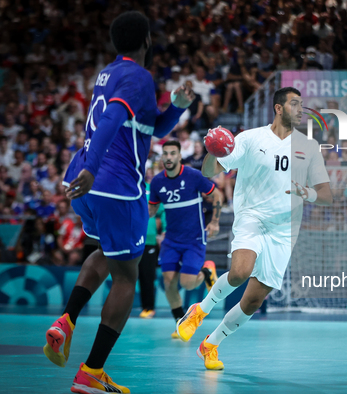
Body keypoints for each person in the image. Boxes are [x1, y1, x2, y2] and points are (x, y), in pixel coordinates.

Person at [42, 11, 195, 394]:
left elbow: (154, 128)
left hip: (86, 186)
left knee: (106, 254)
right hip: (112, 183)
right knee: (127, 276)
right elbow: (111, 119)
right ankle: (92, 372)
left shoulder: (108, 73)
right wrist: (93, 168)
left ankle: (66, 320)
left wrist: (175, 107)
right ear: (146, 42)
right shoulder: (139, 76)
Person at [176, 87, 333, 370]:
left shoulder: (308, 147)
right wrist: (212, 150)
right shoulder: (250, 139)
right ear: (278, 108)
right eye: (295, 104)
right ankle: (200, 310)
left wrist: (307, 193)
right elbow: (210, 171)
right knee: (239, 272)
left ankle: (211, 344)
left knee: (253, 301)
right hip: (252, 217)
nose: (300, 109)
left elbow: (326, 194)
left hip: (284, 231)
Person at [148, 140, 223, 337]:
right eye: (165, 153)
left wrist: (214, 222)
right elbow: (151, 210)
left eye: (173, 153)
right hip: (171, 240)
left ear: (180, 156)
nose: (169, 157)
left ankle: (206, 271)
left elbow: (217, 196)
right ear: (162, 157)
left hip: (194, 239)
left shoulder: (193, 176)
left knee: (188, 283)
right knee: (168, 282)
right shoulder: (157, 182)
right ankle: (180, 322)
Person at [138, 170, 166, 320]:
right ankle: (124, 307)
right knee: (128, 277)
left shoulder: (152, 190)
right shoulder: (130, 189)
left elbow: (163, 212)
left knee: (147, 276)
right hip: (130, 241)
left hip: (149, 241)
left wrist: (165, 230)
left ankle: (149, 308)